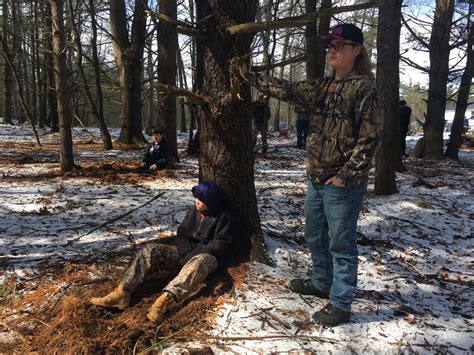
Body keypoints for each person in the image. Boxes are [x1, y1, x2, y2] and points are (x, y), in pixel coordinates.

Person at [236, 23, 381, 326]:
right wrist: (248, 74)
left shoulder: (365, 88)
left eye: (339, 44)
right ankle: (321, 282)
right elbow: (285, 89)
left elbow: (370, 139)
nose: (332, 49)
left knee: (341, 244)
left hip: (342, 184)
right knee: (314, 236)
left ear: (357, 49)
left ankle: (340, 302)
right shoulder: (323, 87)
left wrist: (345, 176)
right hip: (316, 179)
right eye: (329, 44)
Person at [89, 181, 235, 323]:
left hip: (208, 258)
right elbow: (182, 231)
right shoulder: (193, 211)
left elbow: (219, 243)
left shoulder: (224, 217)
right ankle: (123, 292)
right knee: (150, 249)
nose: (196, 201)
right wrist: (184, 250)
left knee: (199, 261)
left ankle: (165, 301)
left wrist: (192, 254)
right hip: (186, 251)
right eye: (196, 197)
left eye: (201, 199)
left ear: (210, 201)